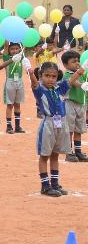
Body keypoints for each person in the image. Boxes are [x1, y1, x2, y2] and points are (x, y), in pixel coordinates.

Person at [27, 61, 84, 196]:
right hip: (48, 124)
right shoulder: (40, 90)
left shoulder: (59, 88)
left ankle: (55, 183)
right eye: (47, 76)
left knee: (55, 154)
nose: (50, 79)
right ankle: (45, 186)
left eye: (54, 76)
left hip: (61, 124)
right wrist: (30, 73)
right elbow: (34, 83)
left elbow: (71, 80)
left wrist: (80, 70)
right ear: (41, 76)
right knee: (44, 155)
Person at [61, 51, 88, 162]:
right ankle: (69, 152)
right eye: (73, 61)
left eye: (78, 61)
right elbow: (73, 82)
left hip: (80, 104)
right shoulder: (67, 74)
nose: (77, 63)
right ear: (65, 65)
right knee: (69, 129)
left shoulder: (81, 74)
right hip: (70, 104)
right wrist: (82, 85)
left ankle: (78, 151)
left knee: (78, 129)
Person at [2, 42, 26, 134]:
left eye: (16, 48)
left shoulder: (21, 57)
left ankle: (17, 126)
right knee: (10, 105)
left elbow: (24, 45)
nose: (15, 51)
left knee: (17, 104)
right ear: (8, 50)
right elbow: (6, 45)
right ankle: (9, 127)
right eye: (12, 49)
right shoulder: (6, 58)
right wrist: (7, 36)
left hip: (19, 82)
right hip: (10, 82)